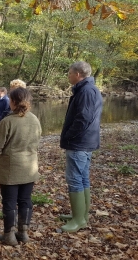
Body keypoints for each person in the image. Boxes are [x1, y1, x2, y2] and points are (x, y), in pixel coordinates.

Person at [0, 87, 42, 246]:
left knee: (9, 202)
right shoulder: (34, 119)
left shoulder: (8, 121)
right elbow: (38, 140)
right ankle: (23, 233)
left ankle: (9, 236)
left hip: (11, 168)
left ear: (13, 102)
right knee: (25, 200)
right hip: (30, 167)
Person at [59, 61, 103, 233]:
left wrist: (69, 135)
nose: (68, 76)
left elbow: (83, 119)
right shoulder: (89, 90)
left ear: (78, 74)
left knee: (75, 179)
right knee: (82, 178)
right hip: (85, 142)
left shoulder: (86, 91)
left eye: (70, 73)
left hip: (79, 143)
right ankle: (82, 216)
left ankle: (78, 220)